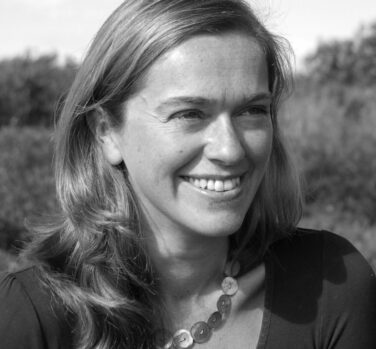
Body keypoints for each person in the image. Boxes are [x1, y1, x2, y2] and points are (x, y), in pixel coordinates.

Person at [0, 0, 375, 348]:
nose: (229, 149)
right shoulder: (34, 318)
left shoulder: (331, 287)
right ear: (106, 132)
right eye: (189, 114)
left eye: (252, 111)